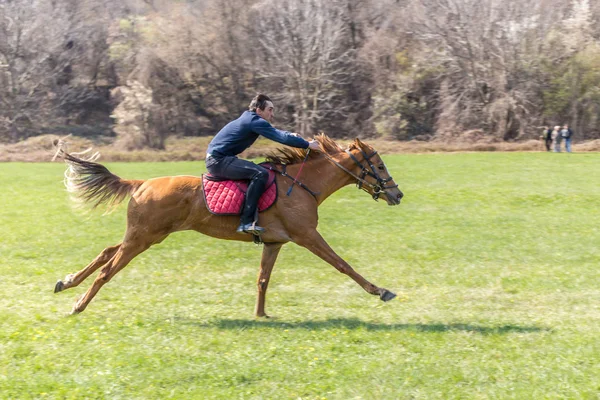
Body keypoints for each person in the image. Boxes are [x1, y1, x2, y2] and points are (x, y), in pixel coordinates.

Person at [205, 93, 321, 235]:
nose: (272, 113)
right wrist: (307, 144)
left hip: (221, 159)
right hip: (218, 161)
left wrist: (290, 134)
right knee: (260, 174)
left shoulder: (250, 119)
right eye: (270, 109)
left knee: (259, 171)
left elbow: (275, 132)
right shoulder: (254, 121)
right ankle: (246, 223)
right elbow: (279, 137)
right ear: (259, 110)